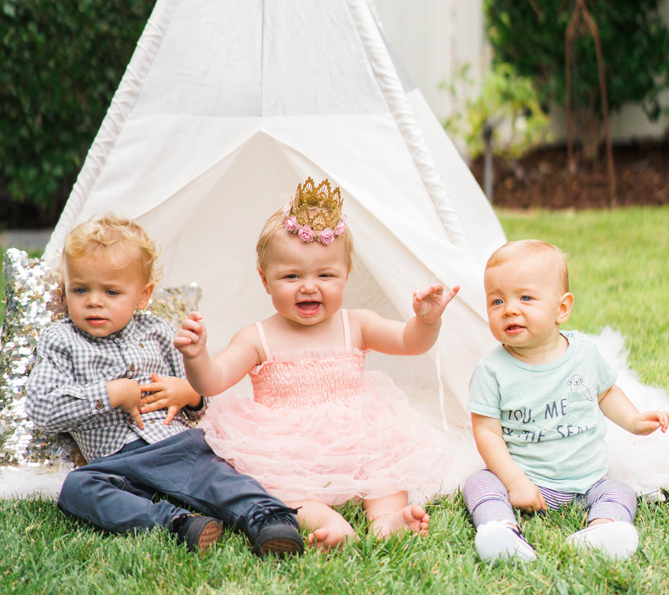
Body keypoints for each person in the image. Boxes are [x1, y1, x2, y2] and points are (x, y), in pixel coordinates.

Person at [174, 176, 459, 551]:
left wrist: (427, 320)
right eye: (291, 276)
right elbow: (213, 381)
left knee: (384, 468)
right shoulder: (256, 337)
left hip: (356, 434)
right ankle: (327, 521)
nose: (309, 286)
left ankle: (388, 517)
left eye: (325, 275)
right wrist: (197, 357)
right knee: (277, 487)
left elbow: (410, 342)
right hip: (285, 445)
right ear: (265, 280)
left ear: (346, 275)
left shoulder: (355, 324)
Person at [26, 215, 304, 557]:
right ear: (65, 289)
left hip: (173, 445)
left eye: (111, 291)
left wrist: (190, 394)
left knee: (219, 478)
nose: (94, 301)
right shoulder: (59, 339)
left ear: (143, 296)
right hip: (113, 461)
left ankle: (270, 521)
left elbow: (199, 394)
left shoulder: (157, 331)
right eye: (80, 289)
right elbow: (42, 408)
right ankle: (178, 523)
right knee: (78, 489)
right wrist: (110, 394)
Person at [464, 238, 669, 564]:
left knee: (620, 492)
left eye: (525, 297)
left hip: (587, 482)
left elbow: (606, 393)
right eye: (496, 301)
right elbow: (486, 432)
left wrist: (633, 420)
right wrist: (516, 482)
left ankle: (601, 530)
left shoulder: (584, 352)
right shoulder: (492, 370)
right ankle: (500, 530)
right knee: (478, 482)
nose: (510, 309)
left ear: (562, 308)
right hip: (525, 478)